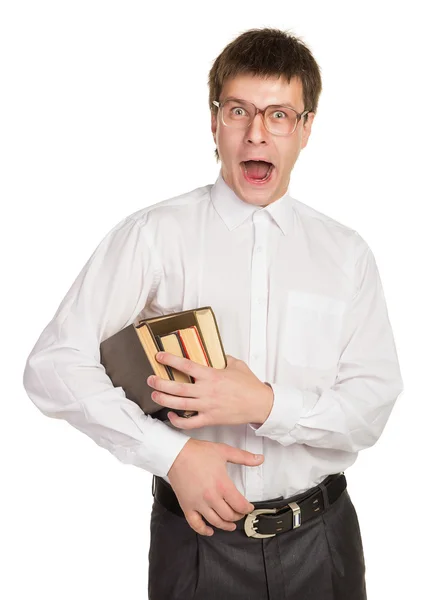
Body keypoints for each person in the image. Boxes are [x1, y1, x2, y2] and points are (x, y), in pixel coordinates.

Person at [23, 27, 404, 600]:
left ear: (305, 129)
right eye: (239, 111)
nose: (257, 133)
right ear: (214, 121)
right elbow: (53, 365)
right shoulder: (153, 237)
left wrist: (264, 404)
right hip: (197, 543)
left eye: (279, 115)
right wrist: (171, 454)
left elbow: (370, 407)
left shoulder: (346, 254)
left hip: (322, 542)